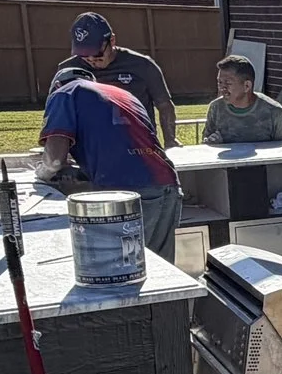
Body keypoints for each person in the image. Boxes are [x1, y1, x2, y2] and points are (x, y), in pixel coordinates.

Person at [39, 65, 182, 263]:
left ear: (56, 85)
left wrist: (42, 172)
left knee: (124, 268)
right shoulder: (122, 94)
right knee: (161, 268)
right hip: (166, 181)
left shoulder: (64, 92)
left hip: (123, 192)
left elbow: (54, 160)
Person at [52, 12, 177, 147]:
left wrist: (170, 140)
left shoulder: (142, 65)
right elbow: (57, 115)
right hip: (91, 148)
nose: (91, 59)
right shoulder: (67, 70)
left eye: (97, 53)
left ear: (111, 41)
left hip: (138, 145)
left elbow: (164, 105)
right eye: (84, 54)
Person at [202, 54, 282, 145]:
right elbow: (205, 145)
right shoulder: (216, 108)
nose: (222, 88)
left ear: (247, 86)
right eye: (220, 82)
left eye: (228, 83)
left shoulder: (275, 113)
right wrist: (212, 143)